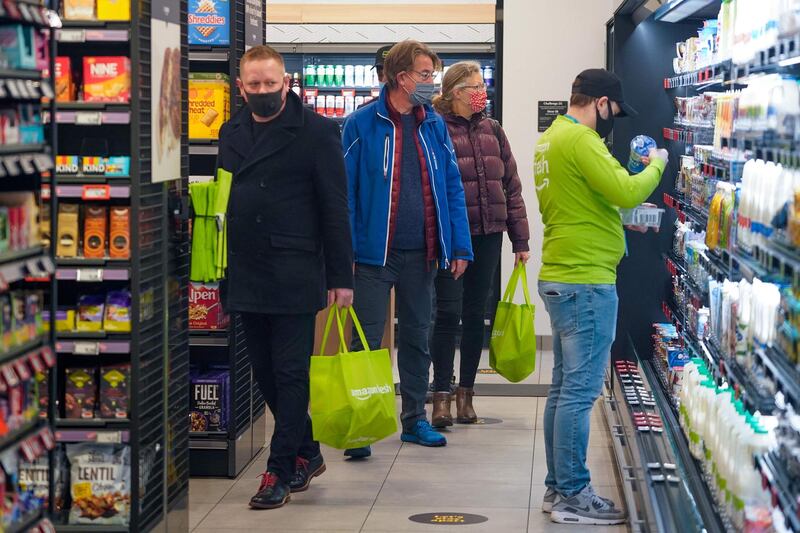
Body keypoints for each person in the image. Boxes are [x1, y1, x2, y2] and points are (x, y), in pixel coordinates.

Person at [218, 45, 354, 510]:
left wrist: (342, 277)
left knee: (291, 372)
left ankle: (277, 470)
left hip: (294, 269)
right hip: (244, 269)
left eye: (269, 84)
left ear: (286, 84)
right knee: (265, 374)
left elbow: (336, 209)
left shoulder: (316, 132)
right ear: (241, 87)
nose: (261, 92)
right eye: (252, 85)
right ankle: (308, 451)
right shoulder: (229, 131)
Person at [534, 68, 668, 525]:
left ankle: (558, 487)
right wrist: (658, 164)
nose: (613, 119)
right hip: (586, 280)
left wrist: (618, 217)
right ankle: (573, 493)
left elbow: (590, 200)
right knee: (580, 391)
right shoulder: (582, 140)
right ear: (600, 102)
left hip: (562, 273)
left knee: (563, 389)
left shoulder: (551, 139)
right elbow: (624, 188)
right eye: (613, 110)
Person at [341, 40, 473, 458]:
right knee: (364, 341)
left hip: (423, 253)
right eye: (424, 73)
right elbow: (345, 192)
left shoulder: (433, 125)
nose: (429, 81)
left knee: (417, 336)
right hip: (371, 256)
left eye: (431, 73)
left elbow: (452, 187)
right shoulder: (361, 124)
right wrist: (343, 250)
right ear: (401, 77)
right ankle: (361, 425)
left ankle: (414, 419)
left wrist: (460, 245)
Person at [429, 61, 529, 427]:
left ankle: (466, 394)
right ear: (455, 92)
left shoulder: (493, 130)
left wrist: (520, 238)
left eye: (481, 85)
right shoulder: (436, 128)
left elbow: (512, 187)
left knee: (475, 316)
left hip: (489, 234)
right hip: (453, 237)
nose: (480, 91)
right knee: (446, 314)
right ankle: (440, 393)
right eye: (474, 86)